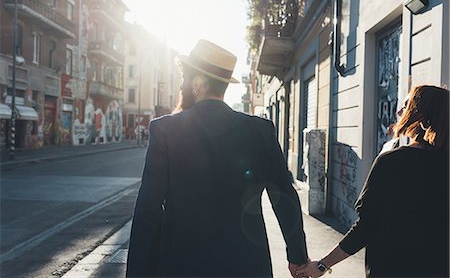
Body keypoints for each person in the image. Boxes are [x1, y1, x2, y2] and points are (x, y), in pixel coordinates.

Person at [126, 39, 309, 277]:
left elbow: (147, 211)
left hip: (182, 266)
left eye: (185, 78)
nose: (181, 86)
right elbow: (284, 197)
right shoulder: (260, 131)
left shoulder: (165, 131)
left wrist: (137, 272)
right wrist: (297, 257)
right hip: (247, 266)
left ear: (197, 84)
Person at [298, 85, 449, 278]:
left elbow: (365, 227)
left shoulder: (391, 162)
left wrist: (322, 265)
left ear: (420, 119)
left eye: (406, 106)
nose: (399, 111)